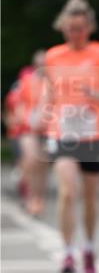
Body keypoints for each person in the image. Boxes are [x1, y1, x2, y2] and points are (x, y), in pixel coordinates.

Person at [43, 0, 99, 273]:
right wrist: (45, 113)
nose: (76, 34)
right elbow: (50, 93)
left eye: (81, 28)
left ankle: (88, 246)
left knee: (89, 196)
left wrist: (95, 94)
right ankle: (67, 251)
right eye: (71, 28)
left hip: (94, 133)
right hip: (63, 132)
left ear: (90, 27)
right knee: (67, 190)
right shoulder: (53, 56)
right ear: (63, 28)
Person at [17, 50, 49, 216]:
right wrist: (26, 120)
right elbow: (19, 103)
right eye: (39, 64)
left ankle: (38, 197)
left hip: (47, 129)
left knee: (42, 165)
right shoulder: (27, 81)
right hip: (28, 128)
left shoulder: (52, 83)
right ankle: (30, 197)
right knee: (31, 160)